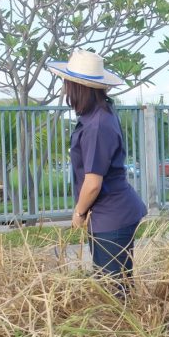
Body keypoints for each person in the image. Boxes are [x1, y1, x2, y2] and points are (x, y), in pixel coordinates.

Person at [47, 50, 147, 294]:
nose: (65, 90)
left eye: (67, 85)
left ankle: (122, 331)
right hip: (109, 215)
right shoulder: (98, 115)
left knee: (113, 291)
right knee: (113, 286)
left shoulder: (97, 125)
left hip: (111, 217)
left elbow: (93, 183)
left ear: (78, 88)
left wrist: (79, 213)